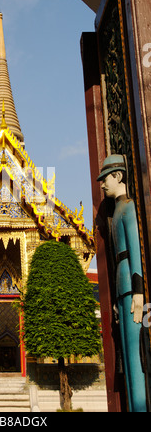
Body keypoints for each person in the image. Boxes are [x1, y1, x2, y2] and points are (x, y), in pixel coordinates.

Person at [97, 154, 147, 412]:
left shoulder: (127, 209)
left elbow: (136, 253)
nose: (102, 184)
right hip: (120, 289)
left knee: (136, 355)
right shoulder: (115, 212)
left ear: (118, 176)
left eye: (105, 178)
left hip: (131, 288)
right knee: (125, 357)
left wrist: (139, 292)